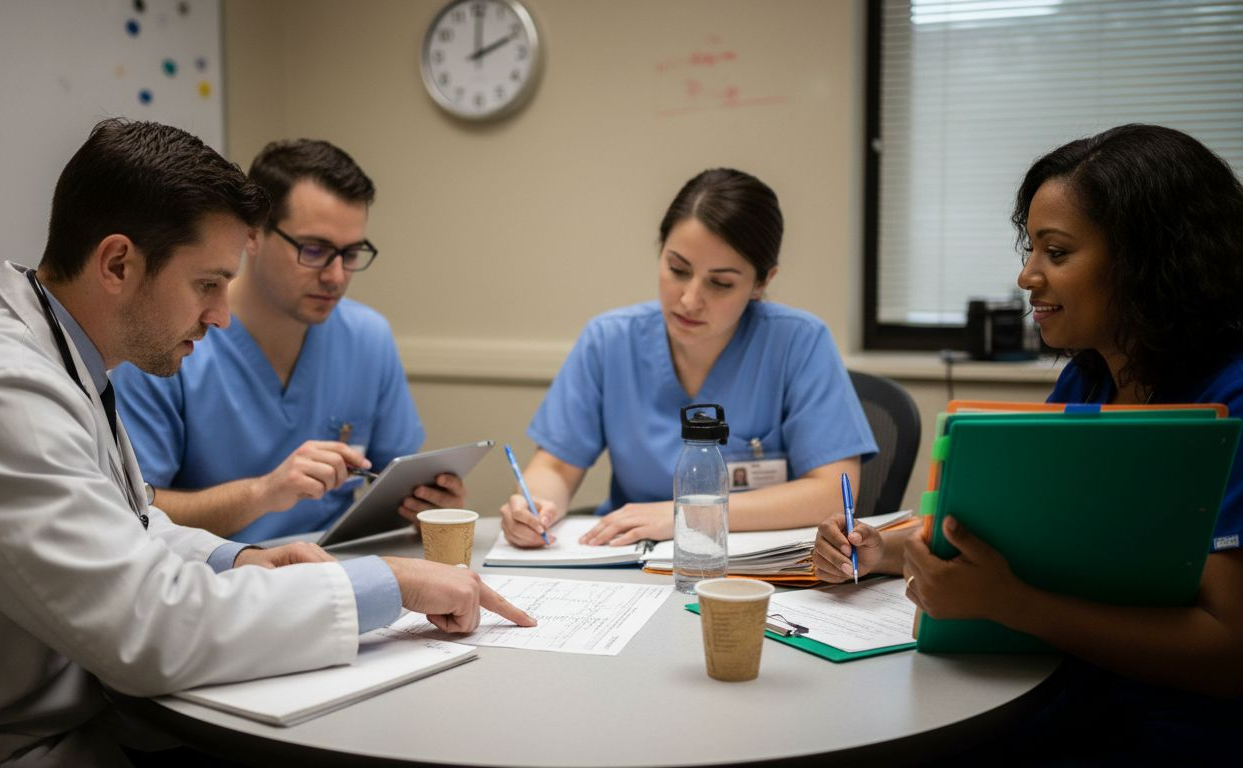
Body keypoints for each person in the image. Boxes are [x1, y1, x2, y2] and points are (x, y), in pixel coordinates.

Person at [0, 119, 533, 767]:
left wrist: (242, 560)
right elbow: (151, 630)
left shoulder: (61, 356)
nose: (222, 315)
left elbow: (132, 524)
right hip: (3, 745)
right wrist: (384, 583)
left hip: (86, 714)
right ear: (118, 263)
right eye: (207, 284)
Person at [813, 124, 1243, 760]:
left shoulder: (1229, 401)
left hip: (1170, 733)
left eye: (1057, 253)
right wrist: (884, 550)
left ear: (1151, 259)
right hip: (1066, 694)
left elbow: (1226, 653)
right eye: (1031, 249)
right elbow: (1010, 536)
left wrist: (1016, 605)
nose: (1026, 277)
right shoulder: (1091, 376)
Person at [500, 168, 877, 548]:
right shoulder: (610, 340)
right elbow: (557, 466)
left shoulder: (798, 342)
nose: (689, 300)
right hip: (630, 562)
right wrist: (536, 507)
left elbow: (831, 491)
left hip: (755, 570)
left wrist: (687, 514)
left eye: (721, 283)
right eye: (677, 269)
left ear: (761, 283)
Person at [114, 139, 463, 542]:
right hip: (217, 581)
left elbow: (397, 480)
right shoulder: (168, 341)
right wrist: (263, 494)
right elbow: (136, 513)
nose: (336, 276)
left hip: (337, 572)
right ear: (252, 236)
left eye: (351, 254)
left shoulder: (368, 338)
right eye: (314, 250)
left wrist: (429, 506)